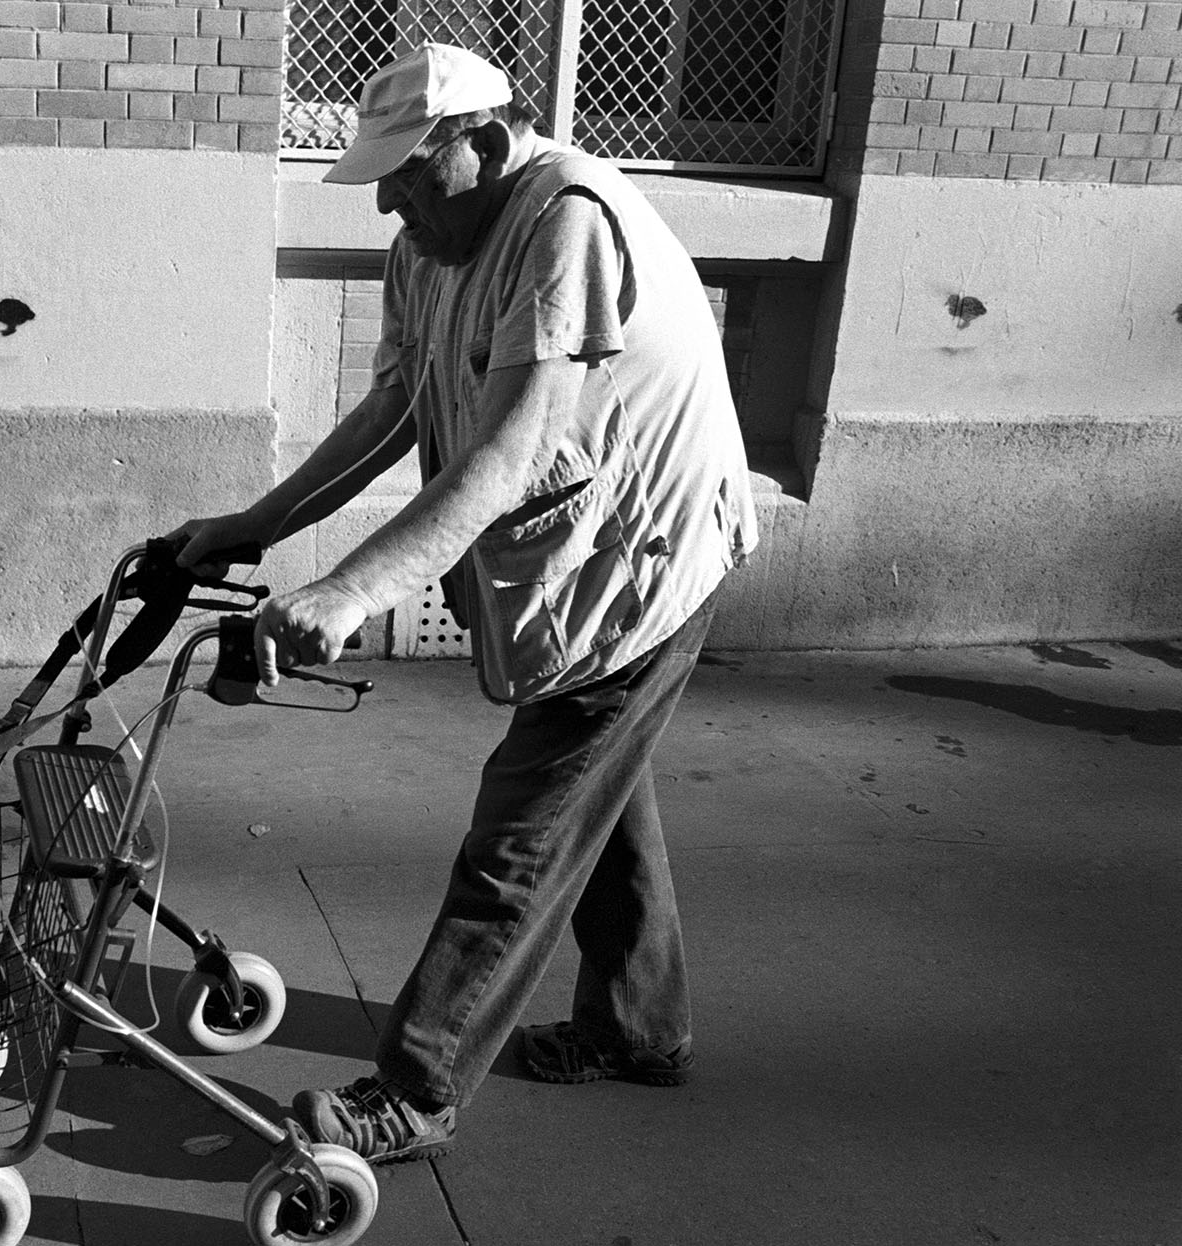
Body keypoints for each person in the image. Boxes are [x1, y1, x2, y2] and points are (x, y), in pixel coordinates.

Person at [172, 42, 759, 1165]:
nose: (387, 203)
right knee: (593, 796)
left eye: (407, 174)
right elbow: (392, 406)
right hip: (577, 573)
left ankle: (415, 1090)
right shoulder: (430, 243)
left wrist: (353, 590)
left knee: (519, 839)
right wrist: (259, 524)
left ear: (484, 144)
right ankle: (640, 1028)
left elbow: (509, 453)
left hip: (644, 570)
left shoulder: (567, 224)